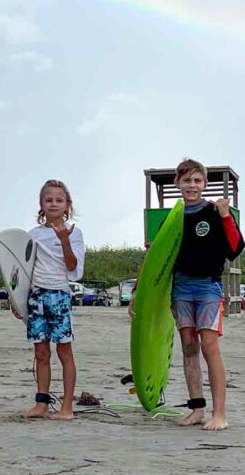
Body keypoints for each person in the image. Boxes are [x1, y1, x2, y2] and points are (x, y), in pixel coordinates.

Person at [130, 159, 244, 431]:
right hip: (181, 288)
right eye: (186, 180)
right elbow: (155, 259)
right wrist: (138, 293)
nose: (192, 186)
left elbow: (235, 249)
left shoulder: (214, 212)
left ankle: (220, 414)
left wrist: (227, 216)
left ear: (204, 184)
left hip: (208, 286)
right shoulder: (172, 221)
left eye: (197, 181)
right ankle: (197, 409)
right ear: (177, 184)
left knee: (209, 346)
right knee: (189, 347)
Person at [20, 180, 84, 420]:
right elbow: (24, 269)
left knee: (64, 352)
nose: (54, 204)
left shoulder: (75, 233)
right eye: (49, 200)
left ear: (67, 205)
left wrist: (65, 240)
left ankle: (67, 406)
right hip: (36, 295)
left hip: (59, 295)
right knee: (41, 353)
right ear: (41, 205)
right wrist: (19, 300)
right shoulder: (33, 235)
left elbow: (73, 268)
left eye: (59, 200)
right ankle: (42, 402)